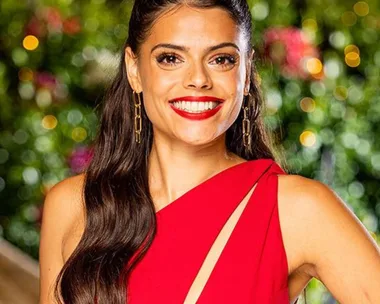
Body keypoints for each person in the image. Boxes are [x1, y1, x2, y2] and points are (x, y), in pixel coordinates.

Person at [39, 0, 380, 303]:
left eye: (221, 59)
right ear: (134, 69)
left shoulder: (297, 209)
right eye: (171, 58)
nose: (198, 79)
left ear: (246, 73)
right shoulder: (71, 206)